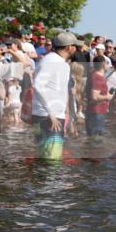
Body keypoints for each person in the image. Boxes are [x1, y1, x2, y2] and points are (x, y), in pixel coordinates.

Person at [31, 31, 79, 159]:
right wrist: (51, 113)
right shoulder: (51, 61)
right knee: (50, 160)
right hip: (47, 117)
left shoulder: (61, 63)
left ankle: (42, 179)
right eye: (76, 46)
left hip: (53, 116)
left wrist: (67, 115)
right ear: (69, 47)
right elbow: (37, 85)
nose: (77, 49)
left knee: (47, 158)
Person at [85, 56, 111, 137]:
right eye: (107, 63)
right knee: (96, 139)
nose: (109, 66)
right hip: (96, 112)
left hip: (94, 111)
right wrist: (107, 97)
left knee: (93, 139)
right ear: (103, 64)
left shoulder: (93, 75)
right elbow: (95, 96)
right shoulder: (98, 78)